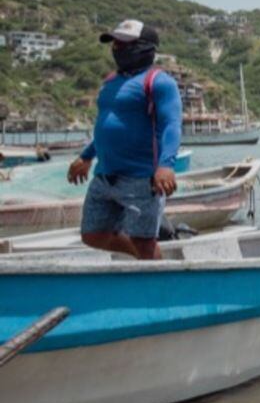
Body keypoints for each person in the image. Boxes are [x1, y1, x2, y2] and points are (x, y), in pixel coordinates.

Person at [67, 20, 180, 259]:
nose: (116, 48)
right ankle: (140, 256)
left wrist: (166, 165)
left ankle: (158, 288)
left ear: (143, 47)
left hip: (141, 178)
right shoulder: (110, 82)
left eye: (122, 43)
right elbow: (106, 127)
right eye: (114, 43)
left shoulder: (159, 82)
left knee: (144, 241)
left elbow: (171, 124)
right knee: (92, 234)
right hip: (105, 176)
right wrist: (86, 156)